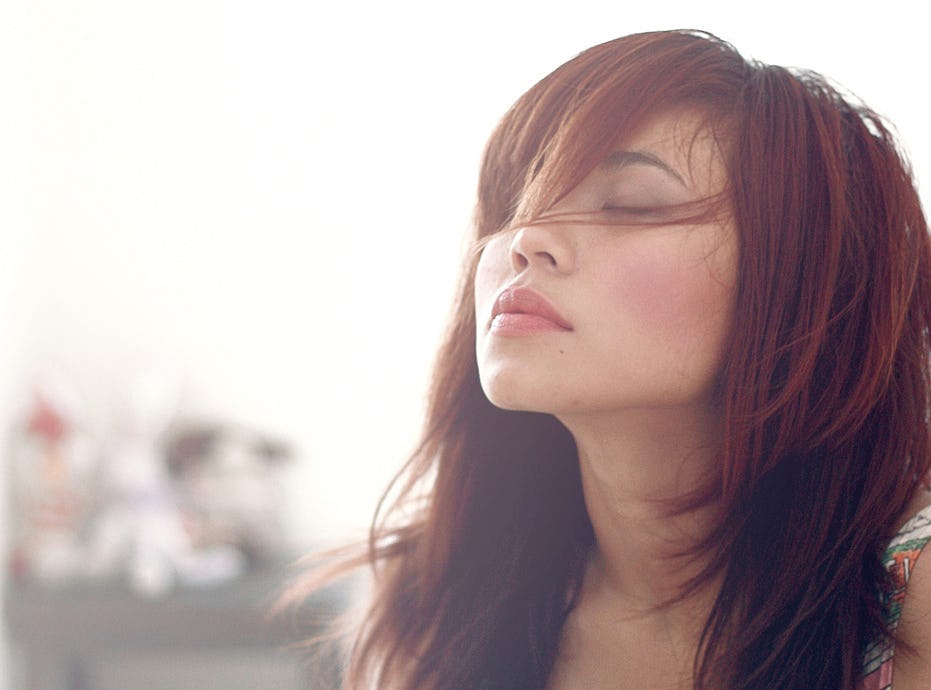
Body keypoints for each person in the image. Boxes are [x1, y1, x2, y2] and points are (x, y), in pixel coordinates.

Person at [292, 30, 931, 688]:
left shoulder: (913, 603)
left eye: (629, 205)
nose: (525, 239)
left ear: (808, 281)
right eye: (515, 204)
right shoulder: (432, 600)